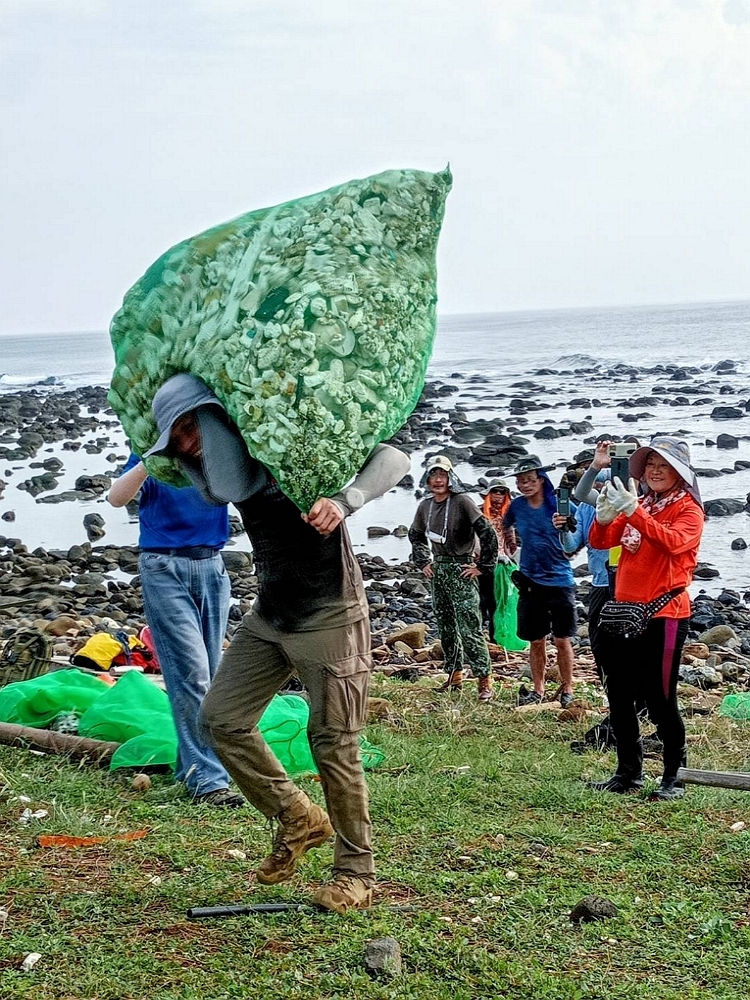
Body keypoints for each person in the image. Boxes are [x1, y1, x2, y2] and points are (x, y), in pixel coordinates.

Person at [141, 372, 410, 914]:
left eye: (192, 428)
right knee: (219, 719)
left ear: (215, 416)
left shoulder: (288, 443)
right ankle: (296, 816)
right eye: (177, 440)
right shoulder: (233, 470)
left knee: (334, 743)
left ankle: (356, 872)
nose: (188, 445)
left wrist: (344, 499)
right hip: (271, 615)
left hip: (331, 613)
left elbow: (395, 458)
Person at [107, 437, 243, 807]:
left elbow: (243, 488)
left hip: (213, 566)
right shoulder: (150, 452)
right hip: (163, 566)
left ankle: (192, 767)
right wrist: (150, 461)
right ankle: (210, 782)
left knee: (211, 673)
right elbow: (116, 498)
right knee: (191, 673)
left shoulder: (214, 452)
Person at [588, 436, 704, 799]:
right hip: (625, 612)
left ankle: (675, 776)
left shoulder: (689, 510)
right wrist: (606, 516)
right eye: (650, 465)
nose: (655, 471)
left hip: (664, 615)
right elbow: (601, 542)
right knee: (619, 694)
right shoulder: (644, 505)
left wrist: (631, 511)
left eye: (663, 466)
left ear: (680, 474)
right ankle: (628, 773)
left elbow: (672, 542)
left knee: (660, 698)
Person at [409, 456, 498, 701]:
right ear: (427, 479)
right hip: (439, 571)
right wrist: (423, 562)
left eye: (443, 475)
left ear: (450, 478)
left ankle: (484, 681)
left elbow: (487, 532)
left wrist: (483, 567)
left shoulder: (462, 502)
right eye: (433, 475)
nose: (438, 480)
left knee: (470, 627)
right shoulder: (425, 506)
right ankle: (454, 677)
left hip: (462, 569)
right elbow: (415, 535)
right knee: (446, 627)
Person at [503, 455, 576, 708]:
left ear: (541, 480)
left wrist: (573, 549)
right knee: (536, 639)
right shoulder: (517, 506)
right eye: (521, 481)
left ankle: (567, 688)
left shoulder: (558, 503)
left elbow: (580, 530)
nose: (525, 485)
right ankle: (538, 688)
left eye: (530, 480)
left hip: (559, 580)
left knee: (562, 639)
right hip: (530, 581)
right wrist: (510, 540)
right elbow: (503, 523)